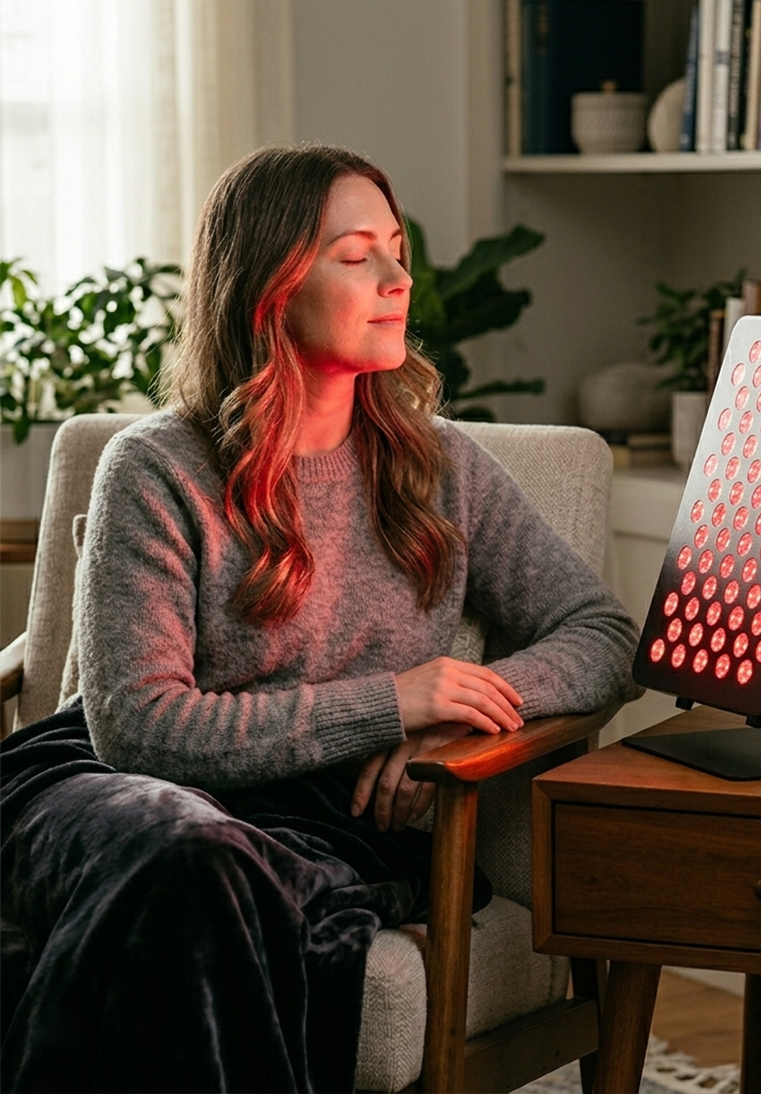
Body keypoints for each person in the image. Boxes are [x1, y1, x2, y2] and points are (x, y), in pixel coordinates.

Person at [0, 143, 640, 1093]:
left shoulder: (438, 467)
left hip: (318, 822)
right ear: (268, 286)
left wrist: (458, 708)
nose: (396, 280)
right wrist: (391, 701)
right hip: (107, 793)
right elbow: (138, 729)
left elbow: (601, 634)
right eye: (355, 255)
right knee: (188, 858)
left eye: (396, 249)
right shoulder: (157, 466)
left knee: (203, 872)